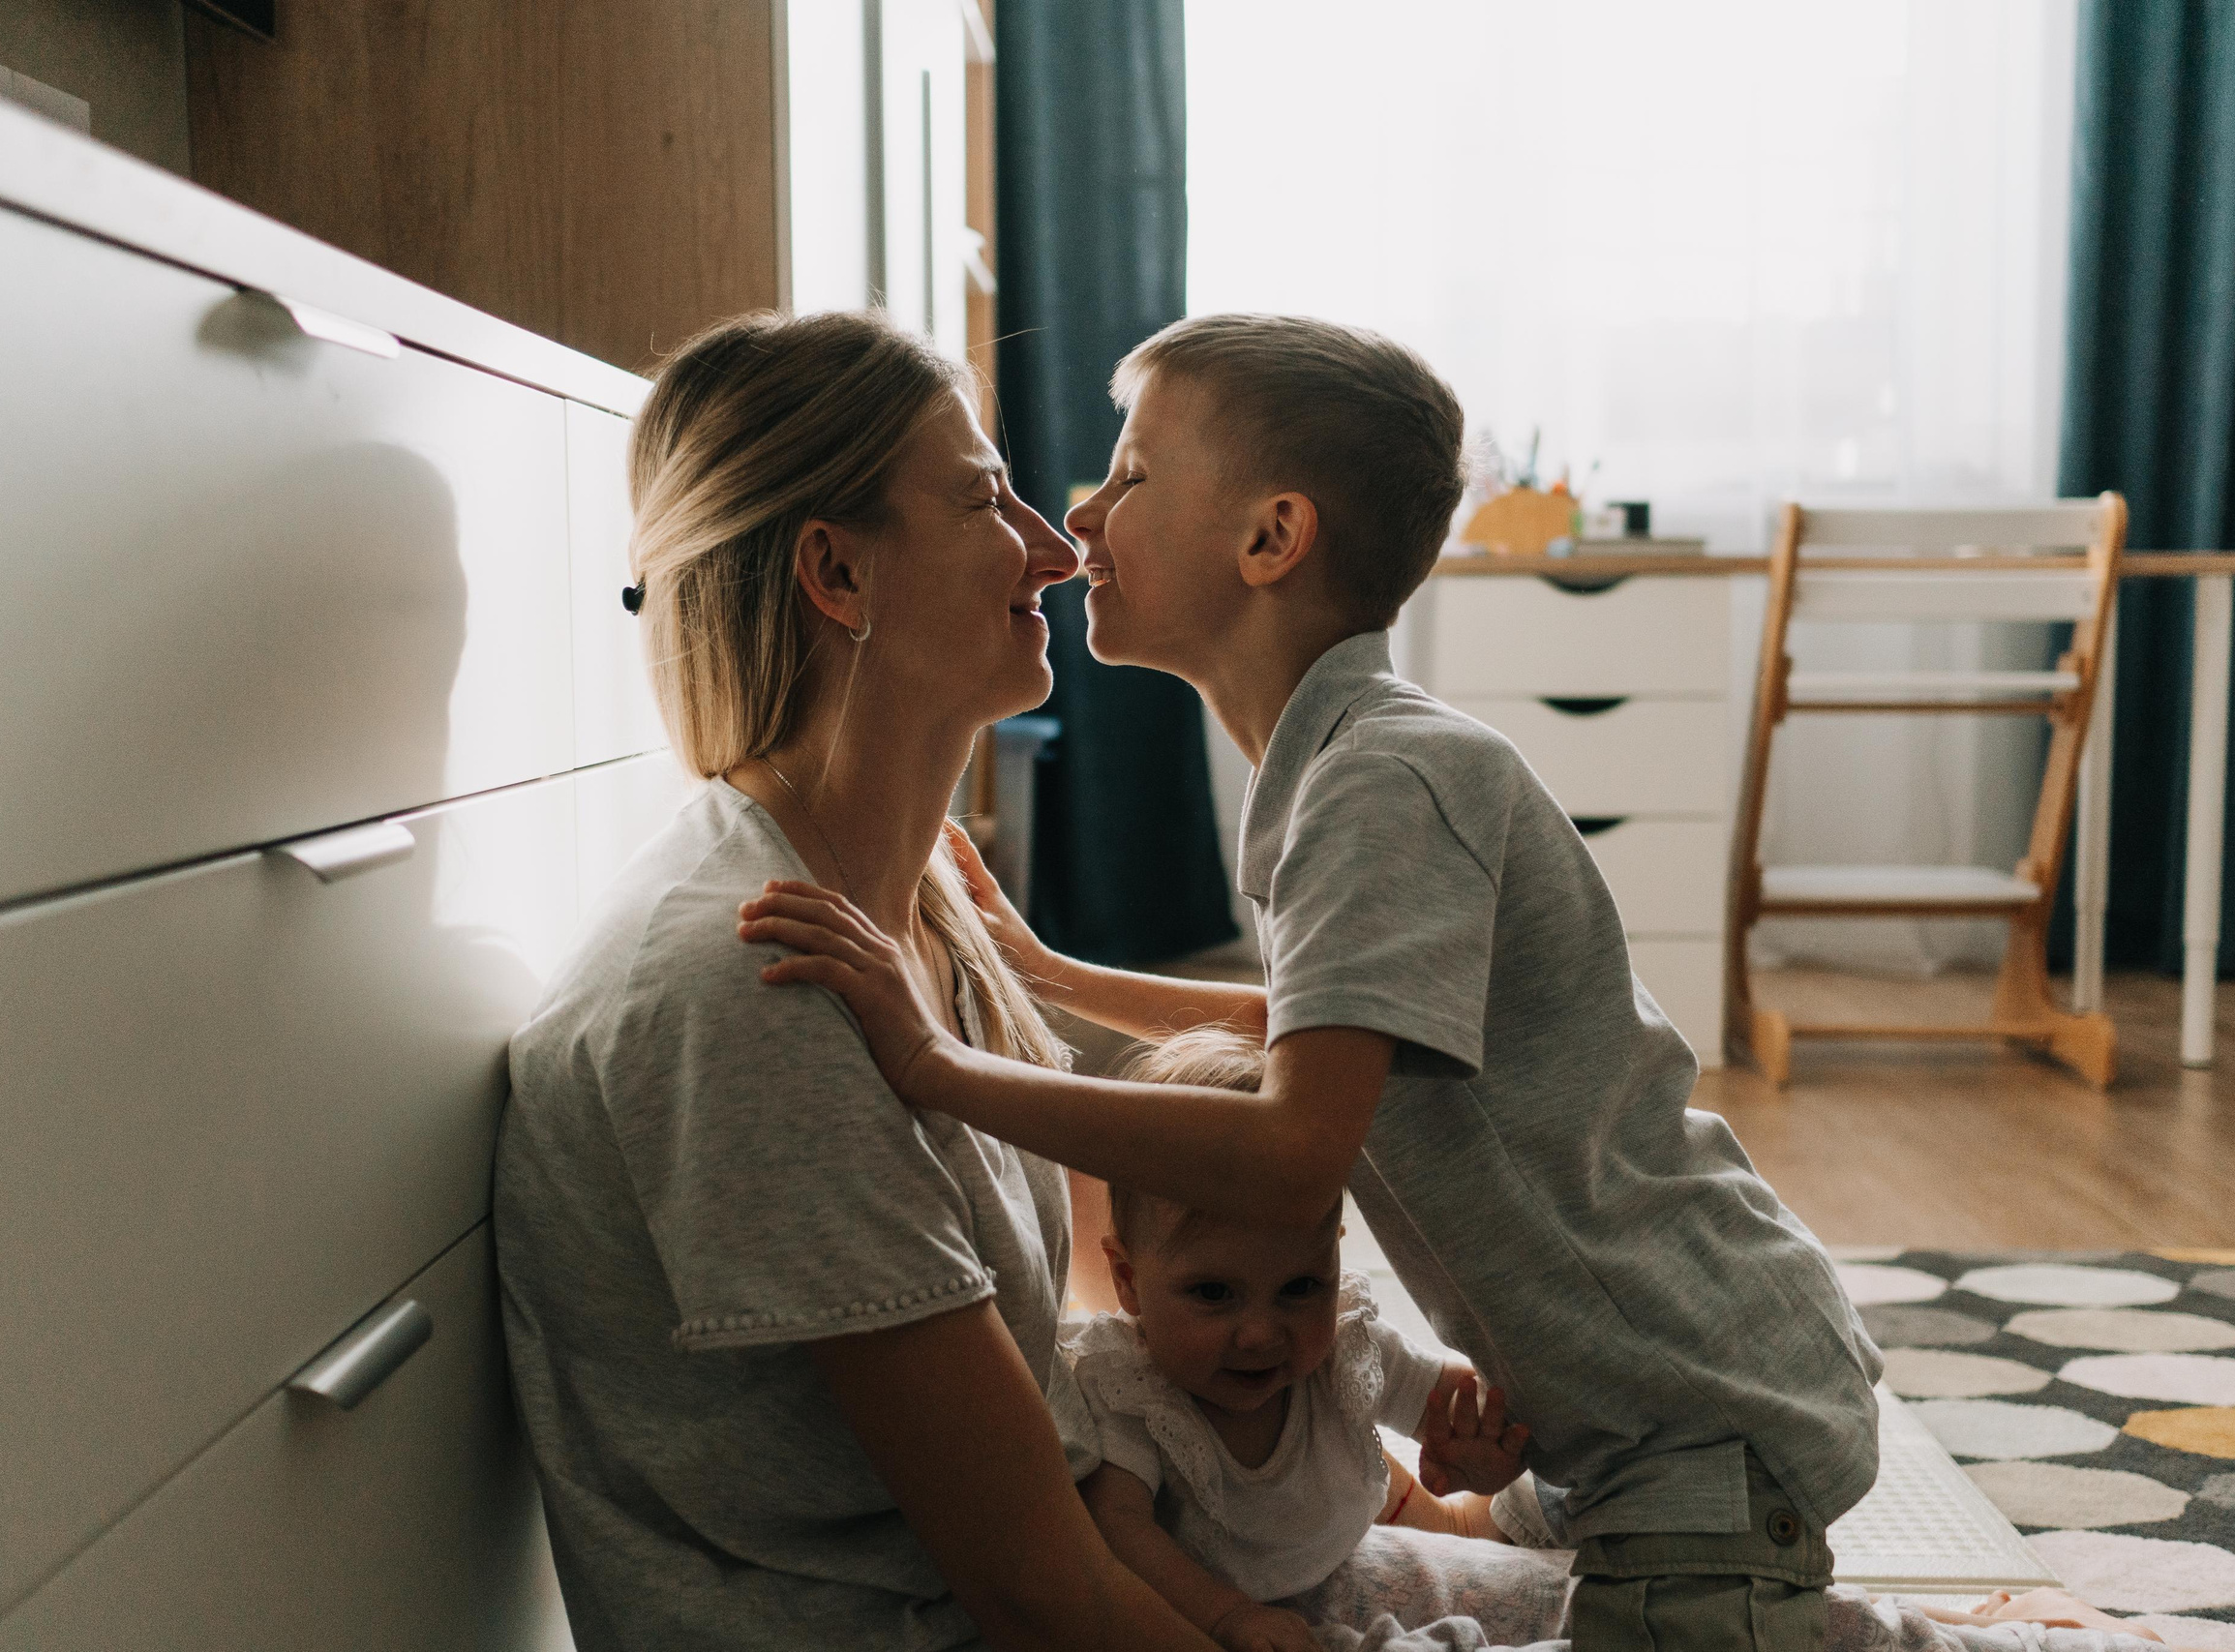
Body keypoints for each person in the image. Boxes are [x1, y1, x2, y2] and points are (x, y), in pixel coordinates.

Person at [735, 313, 1885, 1652]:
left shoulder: (1377, 783)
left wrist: (939, 1069)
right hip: (1639, 1414)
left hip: (1696, 1419)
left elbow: (1292, 1151)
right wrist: (1051, 976)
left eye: (1131, 473)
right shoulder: (1350, 766)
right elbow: (1320, 1041)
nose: (1081, 512)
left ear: (1271, 539)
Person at [492, 309, 1228, 1651]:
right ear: (836, 570)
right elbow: (1038, 1594)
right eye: (985, 500)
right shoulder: (751, 989)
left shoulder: (916, 901)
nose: (1062, 552)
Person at [1070, 1028, 1547, 1652]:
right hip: (1209, 1614)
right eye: (1213, 1293)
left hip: (1357, 1565)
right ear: (1129, 1283)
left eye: (1300, 1286)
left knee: (1561, 1597)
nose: (1262, 1333)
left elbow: (1456, 1405)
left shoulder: (1343, 1346)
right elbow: (1119, 1529)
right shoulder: (1133, 1393)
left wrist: (1483, 1458)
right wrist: (1228, 1618)